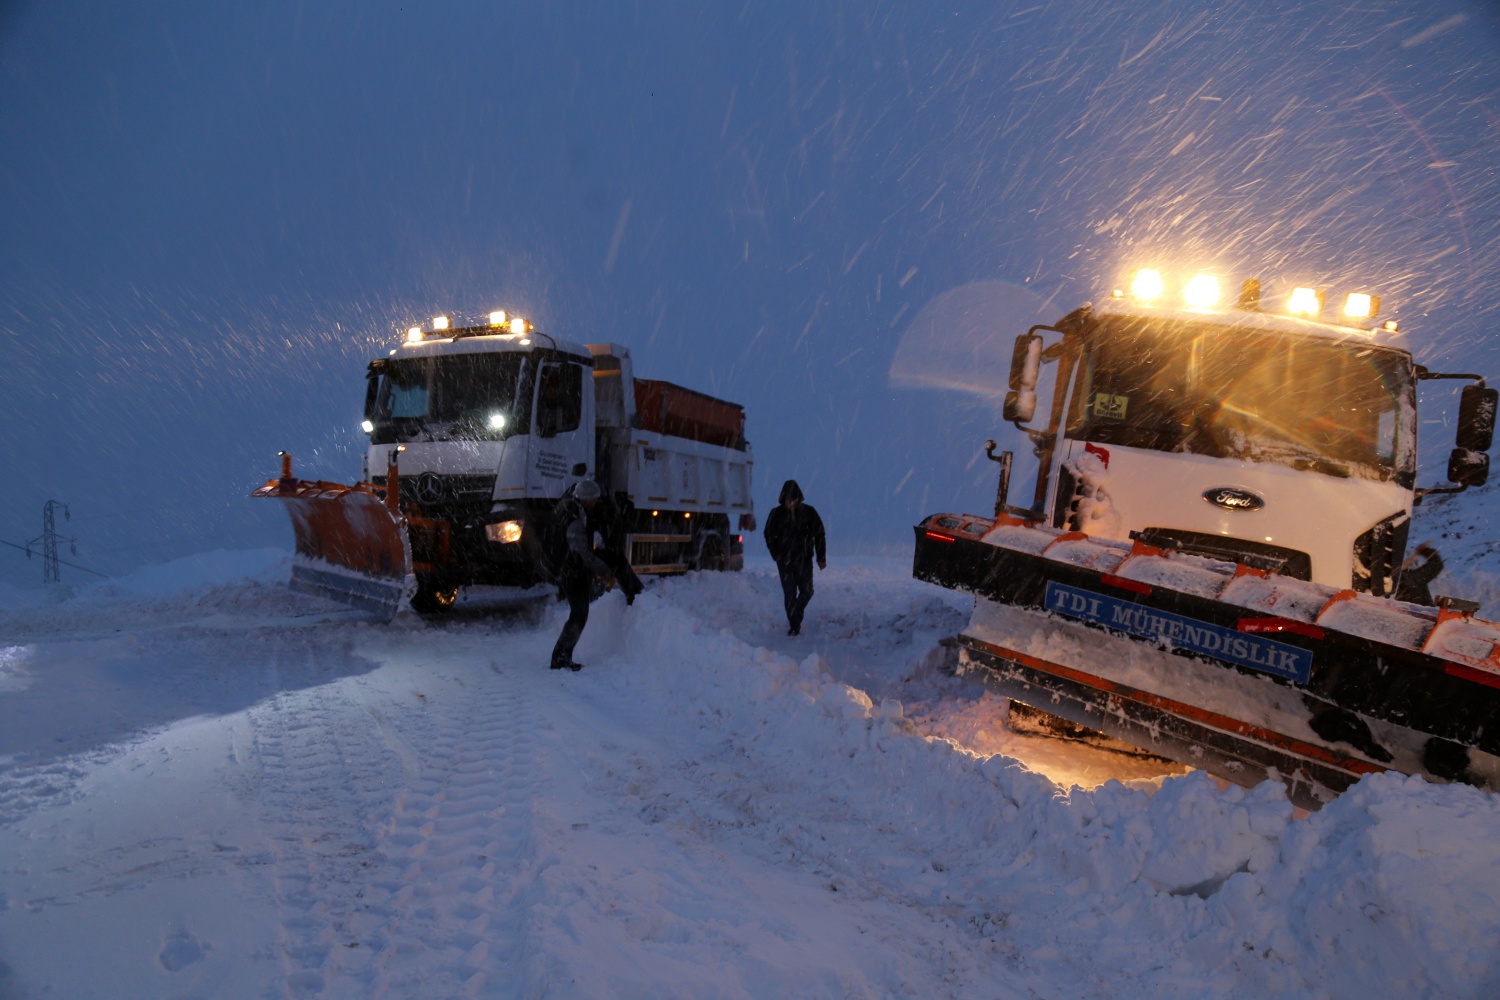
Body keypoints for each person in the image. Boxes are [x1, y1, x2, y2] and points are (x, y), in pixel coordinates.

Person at [549, 480, 616, 671]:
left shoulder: (571, 509)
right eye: (593, 499)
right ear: (585, 499)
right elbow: (582, 552)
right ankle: (560, 658)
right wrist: (603, 570)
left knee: (578, 615)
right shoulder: (575, 519)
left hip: (570, 570)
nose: (595, 502)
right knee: (579, 615)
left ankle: (561, 657)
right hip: (572, 573)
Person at [763, 479, 825, 636]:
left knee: (807, 591)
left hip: (804, 559)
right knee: (789, 593)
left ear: (798, 499)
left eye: (793, 499)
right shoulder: (776, 514)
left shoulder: (809, 513)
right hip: (784, 560)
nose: (790, 503)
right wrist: (776, 553)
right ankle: (794, 626)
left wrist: (821, 557)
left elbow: (820, 534)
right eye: (787, 500)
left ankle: (796, 613)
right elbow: (768, 534)